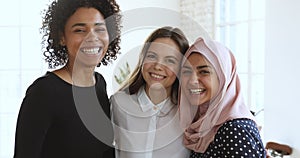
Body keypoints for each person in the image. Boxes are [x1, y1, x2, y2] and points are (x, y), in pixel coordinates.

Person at [13, 0, 121, 157]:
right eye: (79, 30)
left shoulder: (99, 84)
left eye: (99, 29)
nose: (92, 37)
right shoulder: (44, 92)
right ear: (62, 37)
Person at [179, 37, 266, 157]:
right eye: (187, 72)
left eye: (204, 71)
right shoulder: (202, 123)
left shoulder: (235, 130)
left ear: (223, 77)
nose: (192, 80)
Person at [110, 26, 190, 158]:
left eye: (170, 60)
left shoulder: (188, 114)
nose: (158, 66)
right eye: (152, 56)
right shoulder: (119, 104)